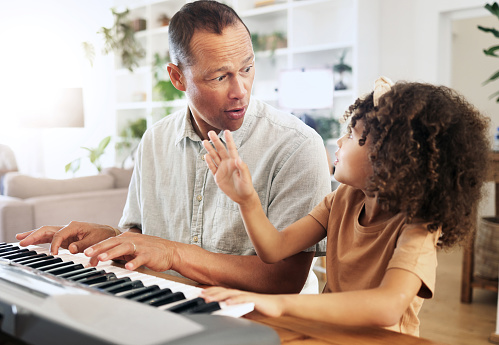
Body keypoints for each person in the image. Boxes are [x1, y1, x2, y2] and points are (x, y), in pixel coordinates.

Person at [16, 0, 331, 294]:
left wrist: (176, 254)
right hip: (164, 302)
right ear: (177, 78)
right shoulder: (155, 140)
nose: (240, 91)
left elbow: (285, 279)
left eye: (247, 69)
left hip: (262, 320)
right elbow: (143, 238)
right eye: (220, 76)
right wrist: (111, 238)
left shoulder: (297, 145)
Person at [200, 77, 490, 336]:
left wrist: (280, 304)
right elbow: (274, 249)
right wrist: (246, 199)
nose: (339, 141)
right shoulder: (342, 199)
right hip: (328, 334)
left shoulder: (418, 227)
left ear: (390, 156)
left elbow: (387, 306)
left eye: (352, 135)